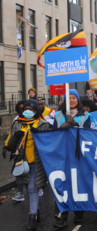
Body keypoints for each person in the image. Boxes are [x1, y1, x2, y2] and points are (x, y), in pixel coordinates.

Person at [4, 99, 50, 230]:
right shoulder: (18, 124)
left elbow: (47, 144)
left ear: (35, 111)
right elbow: (11, 145)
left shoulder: (42, 124)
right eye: (26, 109)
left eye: (31, 109)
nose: (28, 111)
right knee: (28, 189)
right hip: (22, 163)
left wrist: (39, 135)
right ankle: (37, 211)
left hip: (37, 163)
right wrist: (15, 136)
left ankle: (32, 217)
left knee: (32, 189)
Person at [52, 89, 91, 228]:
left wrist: (73, 124)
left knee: (78, 184)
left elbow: (88, 134)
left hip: (78, 156)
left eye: (74, 97)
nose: (72, 100)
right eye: (69, 98)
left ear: (78, 100)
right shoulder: (57, 115)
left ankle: (79, 213)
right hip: (61, 155)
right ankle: (61, 215)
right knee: (61, 185)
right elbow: (52, 135)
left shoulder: (85, 115)